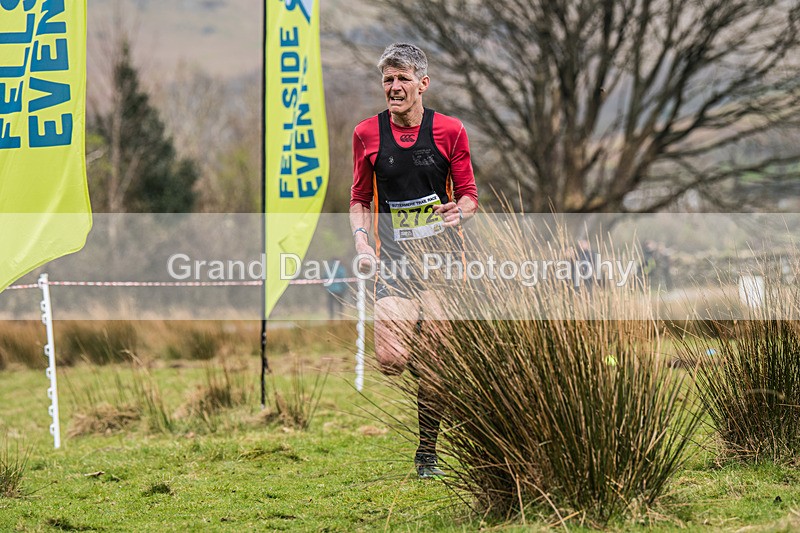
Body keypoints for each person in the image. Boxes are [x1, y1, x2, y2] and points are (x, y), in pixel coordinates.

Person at [349, 43, 479, 478]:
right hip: (396, 262)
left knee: (439, 361)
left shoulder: (450, 131)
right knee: (391, 360)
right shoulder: (367, 134)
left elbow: (470, 196)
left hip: (444, 264)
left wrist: (458, 211)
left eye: (403, 79)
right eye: (388, 79)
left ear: (423, 84)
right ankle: (427, 360)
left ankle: (427, 454)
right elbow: (358, 199)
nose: (395, 87)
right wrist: (362, 243)